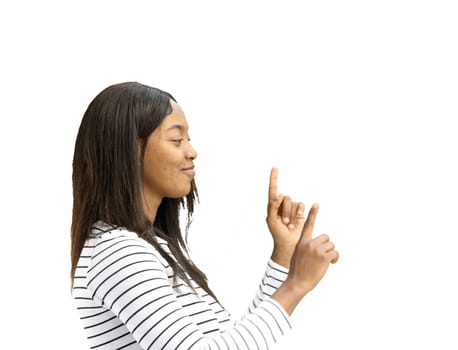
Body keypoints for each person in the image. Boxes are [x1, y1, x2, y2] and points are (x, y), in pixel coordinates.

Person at [70, 81, 339, 350]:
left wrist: (283, 255)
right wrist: (296, 284)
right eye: (177, 140)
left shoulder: (151, 247)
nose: (192, 151)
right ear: (132, 150)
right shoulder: (119, 251)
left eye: (188, 139)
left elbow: (229, 343)